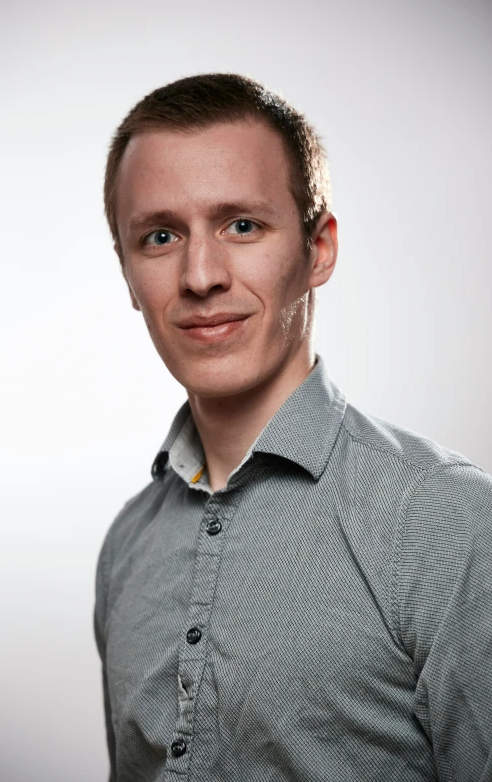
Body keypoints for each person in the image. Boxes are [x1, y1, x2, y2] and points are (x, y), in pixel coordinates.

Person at [94, 73, 492, 782]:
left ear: (319, 249)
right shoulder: (127, 545)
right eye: (160, 235)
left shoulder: (447, 522)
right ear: (128, 273)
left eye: (241, 225)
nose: (200, 274)